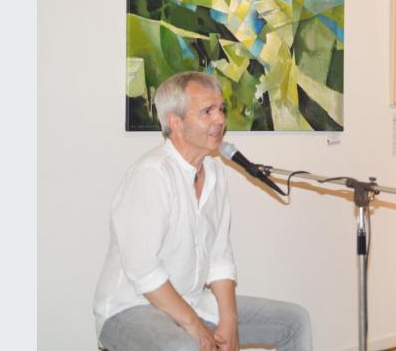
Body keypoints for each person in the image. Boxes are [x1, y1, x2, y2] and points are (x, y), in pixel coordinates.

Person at [93, 72, 312, 351]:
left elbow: (219, 258)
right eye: (207, 112)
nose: (220, 119)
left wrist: (229, 320)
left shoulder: (215, 172)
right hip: (130, 308)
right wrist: (195, 326)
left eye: (220, 109)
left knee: (295, 321)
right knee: (186, 347)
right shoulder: (151, 174)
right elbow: (144, 271)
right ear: (176, 123)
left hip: (193, 301)